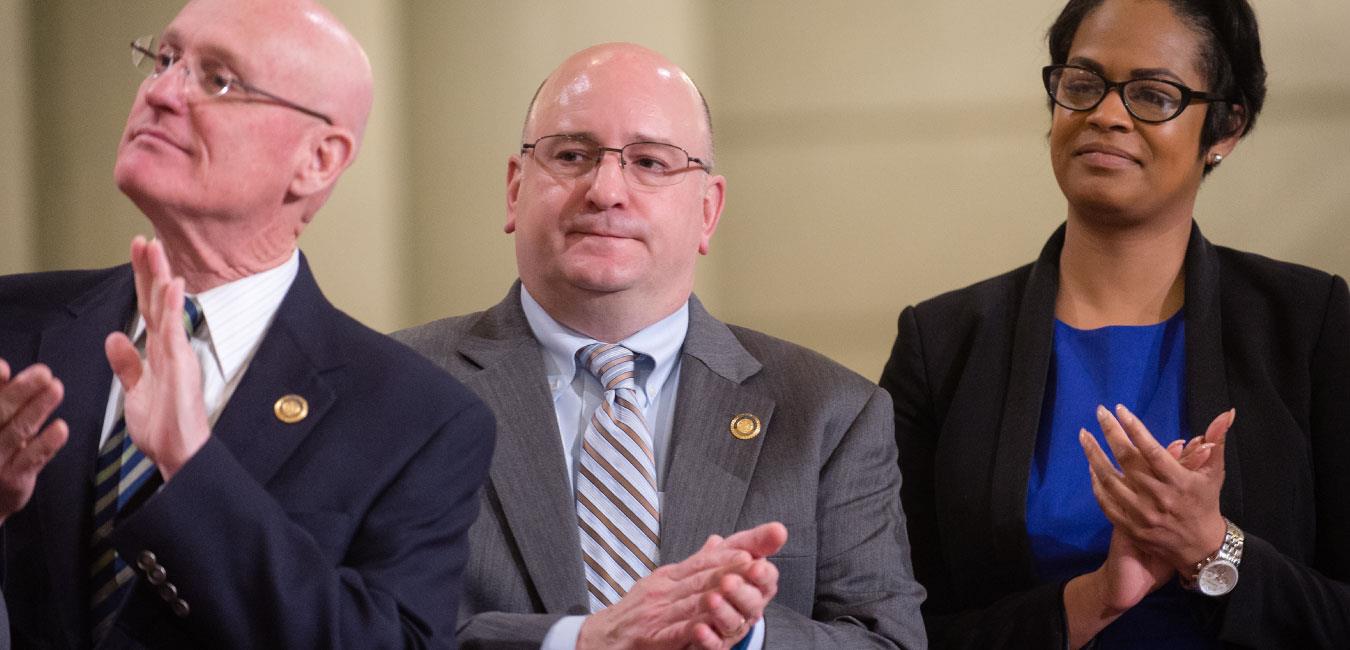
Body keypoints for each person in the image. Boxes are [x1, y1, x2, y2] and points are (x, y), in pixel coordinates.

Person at [395, 42, 927, 649]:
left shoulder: (830, 413)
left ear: (708, 209)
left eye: (650, 163)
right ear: (516, 189)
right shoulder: (393, 388)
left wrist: (741, 637)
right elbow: (341, 624)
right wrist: (581, 641)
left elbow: (888, 642)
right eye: (572, 155)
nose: (605, 190)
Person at [0, 0, 494, 646]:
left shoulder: (418, 420)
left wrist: (192, 466)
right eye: (166, 59)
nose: (163, 92)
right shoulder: (12, 326)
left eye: (219, 79)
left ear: (318, 159)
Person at [880, 0, 1350, 647]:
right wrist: (1095, 600)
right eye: (1082, 85)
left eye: (1152, 95)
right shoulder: (942, 343)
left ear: (1225, 128)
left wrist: (1211, 549)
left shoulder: (1309, 323)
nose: (1104, 114)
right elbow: (890, 630)